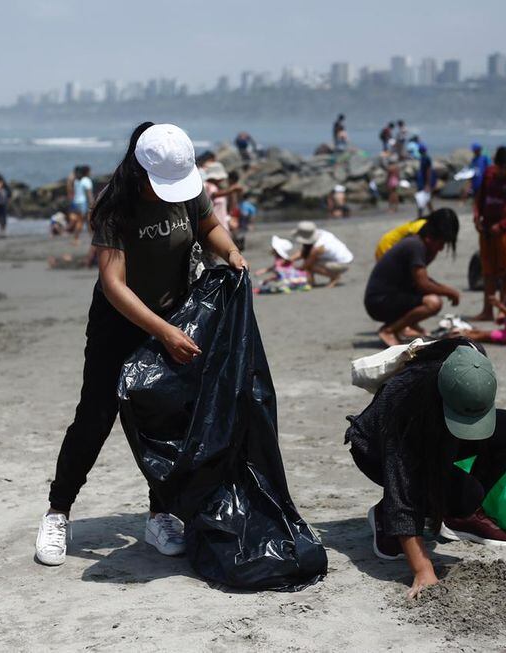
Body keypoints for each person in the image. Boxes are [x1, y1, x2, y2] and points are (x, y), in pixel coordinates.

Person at [35, 122, 248, 567]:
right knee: (95, 417)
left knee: (167, 418)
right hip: (119, 322)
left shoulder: (187, 186)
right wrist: (163, 332)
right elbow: (114, 284)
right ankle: (58, 512)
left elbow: (210, 226)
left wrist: (231, 252)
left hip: (175, 314)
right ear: (140, 169)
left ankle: (161, 514)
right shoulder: (114, 205)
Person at [345, 339, 506, 598]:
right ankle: (385, 518)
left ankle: (460, 518)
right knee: (464, 495)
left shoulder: (473, 360)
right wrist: (422, 569)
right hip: (376, 450)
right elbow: (402, 485)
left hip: (435, 429)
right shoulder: (404, 402)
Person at [364, 212, 461, 346]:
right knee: (433, 303)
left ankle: (402, 327)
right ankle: (389, 331)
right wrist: (450, 292)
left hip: (385, 297)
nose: (441, 249)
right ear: (429, 238)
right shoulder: (415, 246)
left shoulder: (416, 243)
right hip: (379, 301)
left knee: (426, 295)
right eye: (440, 243)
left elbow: (420, 279)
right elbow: (423, 284)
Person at [471, 146, 506, 322]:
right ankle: (487, 310)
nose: (503, 172)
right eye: (500, 167)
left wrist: (502, 225)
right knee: (487, 272)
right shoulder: (489, 173)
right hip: (486, 229)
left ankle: (503, 309)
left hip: (504, 232)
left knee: (504, 272)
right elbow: (479, 198)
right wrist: (477, 217)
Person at [456, 267, 506, 345]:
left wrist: (498, 305)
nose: (503, 284)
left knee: (480, 335)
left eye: (505, 281)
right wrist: (504, 318)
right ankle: (461, 332)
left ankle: (456, 338)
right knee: (480, 332)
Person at [291, 221, 353, 288]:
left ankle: (334, 277)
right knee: (308, 259)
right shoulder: (321, 233)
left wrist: (294, 269)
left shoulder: (318, 247)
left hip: (343, 263)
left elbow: (307, 264)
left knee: (310, 265)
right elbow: (304, 252)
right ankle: (311, 282)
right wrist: (289, 260)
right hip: (343, 257)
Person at [69, 166, 93, 243]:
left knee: (86, 220)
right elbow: (89, 194)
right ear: (87, 172)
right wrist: (92, 203)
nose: (91, 173)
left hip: (76, 202)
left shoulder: (77, 180)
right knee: (82, 221)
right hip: (83, 203)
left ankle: (91, 237)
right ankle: (76, 238)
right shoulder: (86, 180)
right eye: (90, 171)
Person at [415, 145, 436, 218]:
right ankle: (433, 215)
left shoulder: (425, 159)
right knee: (427, 200)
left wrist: (427, 184)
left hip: (424, 183)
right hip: (423, 182)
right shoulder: (424, 158)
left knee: (421, 200)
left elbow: (428, 171)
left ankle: (420, 216)